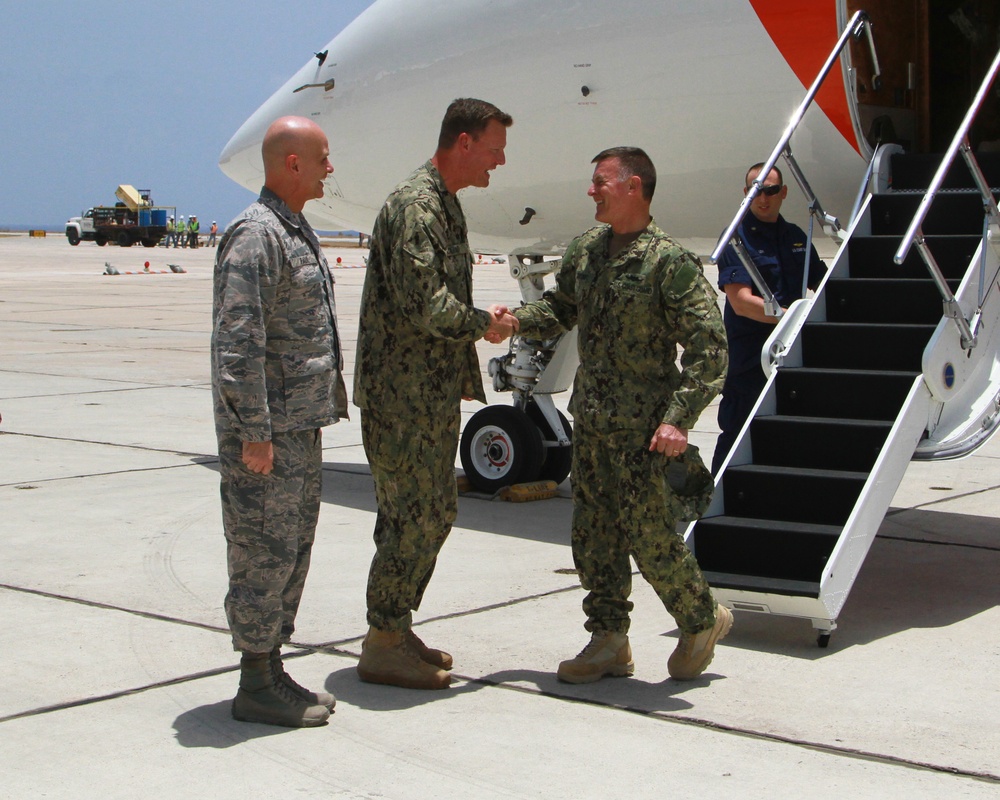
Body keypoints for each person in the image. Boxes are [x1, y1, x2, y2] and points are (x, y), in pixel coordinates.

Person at [513, 146, 733, 683]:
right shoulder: (587, 250)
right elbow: (561, 310)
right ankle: (608, 641)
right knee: (593, 535)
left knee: (650, 535)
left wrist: (679, 417)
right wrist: (512, 322)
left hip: (645, 432)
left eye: (600, 182)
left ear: (633, 187)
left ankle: (701, 619)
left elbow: (710, 348)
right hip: (591, 421)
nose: (591, 191)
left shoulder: (669, 263)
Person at [353, 98, 518, 690]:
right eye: (495, 148)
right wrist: (484, 323)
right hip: (402, 396)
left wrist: (479, 320)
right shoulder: (418, 207)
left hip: (427, 391)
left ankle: (394, 625)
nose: (499, 161)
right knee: (412, 516)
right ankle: (382, 641)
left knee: (432, 511)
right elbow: (427, 304)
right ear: (465, 142)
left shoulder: (444, 205)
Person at [211, 115, 348, 727]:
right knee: (261, 554)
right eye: (322, 157)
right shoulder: (255, 234)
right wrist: (255, 433)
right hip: (269, 435)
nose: (330, 168)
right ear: (293, 163)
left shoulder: (294, 230)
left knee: (289, 552)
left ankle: (270, 668)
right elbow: (238, 342)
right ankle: (255, 684)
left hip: (298, 426)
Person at [711, 163, 826, 474]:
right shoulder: (736, 237)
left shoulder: (796, 237)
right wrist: (794, 319)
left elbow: (825, 284)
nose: (763, 198)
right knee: (739, 435)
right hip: (750, 359)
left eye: (771, 190)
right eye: (755, 190)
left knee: (788, 435)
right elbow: (741, 303)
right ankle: (716, 506)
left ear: (783, 193)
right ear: (746, 193)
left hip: (791, 356)